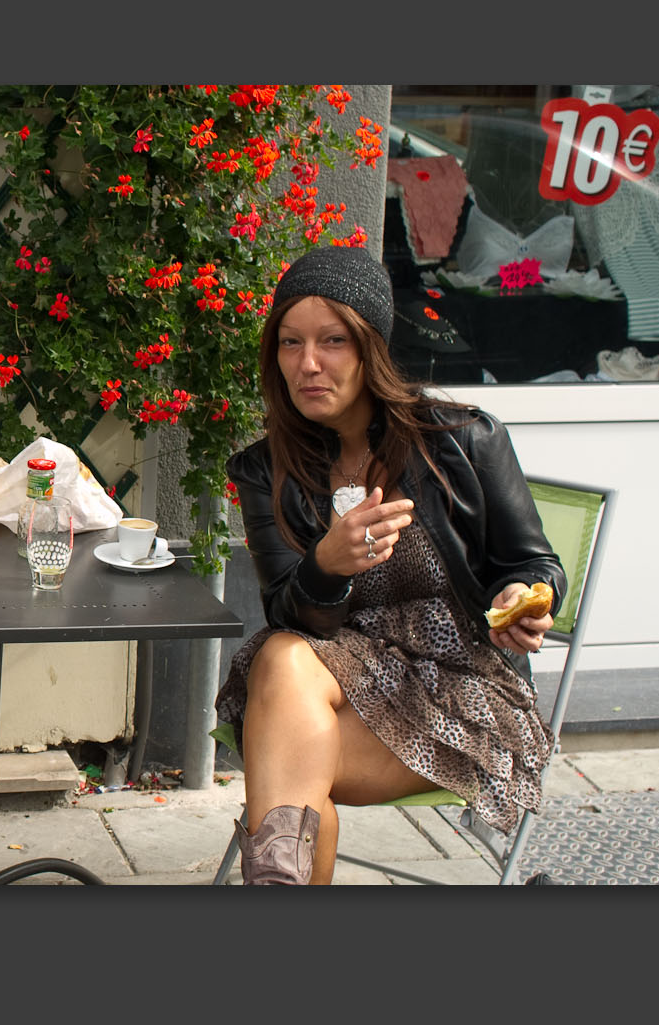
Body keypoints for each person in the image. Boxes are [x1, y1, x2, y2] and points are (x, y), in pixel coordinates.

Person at [216, 244, 564, 885]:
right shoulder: (265, 469)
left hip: (460, 694)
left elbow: (535, 562)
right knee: (284, 661)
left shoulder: (461, 442)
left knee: (289, 754)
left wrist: (525, 593)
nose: (308, 364)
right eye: (290, 344)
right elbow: (290, 615)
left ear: (371, 347)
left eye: (333, 341)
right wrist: (326, 563)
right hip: (334, 684)